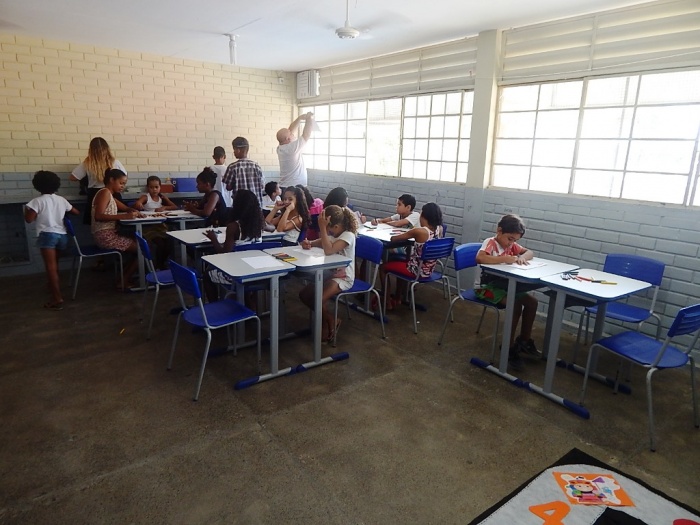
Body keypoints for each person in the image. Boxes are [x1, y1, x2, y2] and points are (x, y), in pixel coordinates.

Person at [475, 214, 539, 371]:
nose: (512, 243)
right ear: (499, 231)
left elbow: (529, 252)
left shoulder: (511, 246)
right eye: (510, 239)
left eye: (515, 240)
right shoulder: (491, 243)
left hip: (505, 286)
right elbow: (480, 258)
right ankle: (508, 347)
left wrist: (522, 257)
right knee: (514, 304)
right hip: (486, 288)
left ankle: (524, 341)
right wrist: (504, 259)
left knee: (532, 302)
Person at [298, 205, 358, 342]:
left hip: (343, 278)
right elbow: (322, 242)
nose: (328, 232)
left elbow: (329, 250)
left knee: (317, 300)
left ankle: (327, 322)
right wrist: (309, 243)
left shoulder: (348, 236)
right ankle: (330, 319)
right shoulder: (335, 234)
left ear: (336, 226)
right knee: (304, 295)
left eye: (329, 228)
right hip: (329, 275)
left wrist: (322, 228)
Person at [24, 170, 80, 310]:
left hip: (47, 235)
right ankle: (51, 286)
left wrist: (27, 210)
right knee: (55, 264)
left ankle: (57, 298)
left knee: (50, 267)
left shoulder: (37, 201)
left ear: (37, 185)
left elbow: (29, 219)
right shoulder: (61, 200)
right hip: (62, 236)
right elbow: (76, 212)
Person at [378, 202, 444, 311]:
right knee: (403, 261)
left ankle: (387, 301)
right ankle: (398, 298)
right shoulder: (439, 229)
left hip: (416, 270)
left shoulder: (419, 231)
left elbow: (394, 239)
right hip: (429, 270)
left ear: (424, 216)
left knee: (383, 268)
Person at [203, 189, 264, 302]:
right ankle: (249, 303)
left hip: (237, 273)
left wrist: (214, 239)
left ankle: (214, 305)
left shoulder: (234, 226)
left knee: (207, 275)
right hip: (256, 271)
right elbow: (272, 228)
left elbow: (224, 253)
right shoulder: (259, 223)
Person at [91, 169, 141, 290]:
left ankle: (122, 277)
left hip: (107, 234)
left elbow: (124, 208)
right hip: (105, 236)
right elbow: (99, 216)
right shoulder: (104, 193)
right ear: (111, 180)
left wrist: (132, 210)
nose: (123, 186)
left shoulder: (109, 194)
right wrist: (124, 216)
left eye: (124, 184)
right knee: (143, 249)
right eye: (121, 183)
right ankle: (123, 280)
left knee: (140, 244)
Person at [70, 137, 127, 225]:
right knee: (117, 220)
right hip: (112, 192)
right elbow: (124, 176)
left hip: (94, 194)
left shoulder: (88, 163)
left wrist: (88, 178)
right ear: (107, 149)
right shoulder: (115, 162)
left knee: (96, 223)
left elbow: (73, 177)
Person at [132, 176, 178, 270]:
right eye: (151, 187)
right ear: (147, 188)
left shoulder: (162, 197)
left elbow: (174, 207)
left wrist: (164, 207)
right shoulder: (146, 197)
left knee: (169, 243)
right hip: (149, 227)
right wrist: (139, 204)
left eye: (156, 187)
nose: (154, 189)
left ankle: (162, 263)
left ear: (160, 187)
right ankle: (159, 266)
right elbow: (137, 204)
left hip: (161, 226)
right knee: (160, 244)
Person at [276, 112, 315, 188]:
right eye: (291, 134)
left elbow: (289, 131)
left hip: (285, 185)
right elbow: (306, 135)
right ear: (288, 139)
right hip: (295, 187)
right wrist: (309, 119)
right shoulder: (291, 149)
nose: (293, 134)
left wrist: (299, 118)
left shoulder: (280, 148)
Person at [223, 137, 264, 206]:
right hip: (256, 205)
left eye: (234, 149)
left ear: (238, 150)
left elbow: (228, 187)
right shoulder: (256, 166)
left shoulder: (232, 167)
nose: (234, 152)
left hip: (240, 206)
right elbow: (262, 185)